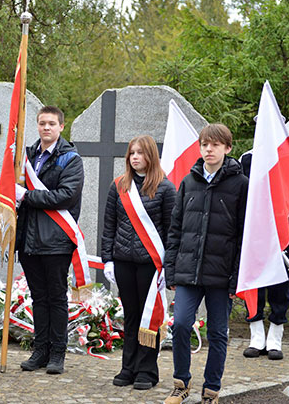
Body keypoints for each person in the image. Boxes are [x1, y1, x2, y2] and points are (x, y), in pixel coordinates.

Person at [163, 124, 248, 404]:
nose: (208, 150)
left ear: (227, 148)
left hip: (221, 275)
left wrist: (237, 276)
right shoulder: (189, 181)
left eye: (215, 145)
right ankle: (181, 384)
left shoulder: (241, 184)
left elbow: (244, 235)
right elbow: (176, 229)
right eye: (204, 145)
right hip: (188, 270)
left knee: (217, 333)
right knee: (182, 325)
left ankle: (211, 390)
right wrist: (171, 268)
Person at [101, 135, 176, 390]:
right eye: (131, 153)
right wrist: (107, 259)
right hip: (123, 262)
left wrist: (169, 266)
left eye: (140, 153)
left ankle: (147, 371)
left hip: (150, 264)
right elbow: (109, 225)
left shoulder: (165, 187)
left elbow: (171, 231)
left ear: (150, 156)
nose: (134, 157)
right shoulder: (119, 186)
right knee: (131, 316)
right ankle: (128, 367)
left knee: (149, 318)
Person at [15, 106, 84, 375]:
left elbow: (65, 196)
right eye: (42, 123)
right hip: (29, 240)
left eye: (51, 124)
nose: (46, 128)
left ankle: (58, 353)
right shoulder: (27, 155)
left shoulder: (70, 159)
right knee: (38, 298)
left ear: (61, 127)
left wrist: (27, 196)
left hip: (56, 240)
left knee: (56, 298)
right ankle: (40, 350)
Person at [240, 150, 289, 360]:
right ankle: (257, 336)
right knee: (255, 286)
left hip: (283, 233)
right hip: (255, 232)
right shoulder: (248, 158)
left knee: (281, 287)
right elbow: (242, 196)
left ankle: (275, 338)